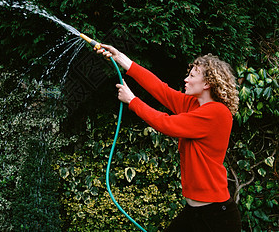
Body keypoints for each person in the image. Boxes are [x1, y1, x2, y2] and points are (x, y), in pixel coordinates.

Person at [95, 44, 242, 232]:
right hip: (194, 212)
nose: (186, 79)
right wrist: (121, 58)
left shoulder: (217, 113)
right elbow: (161, 90)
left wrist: (132, 101)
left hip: (217, 218)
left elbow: (167, 124)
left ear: (207, 84)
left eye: (192, 76)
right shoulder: (193, 104)